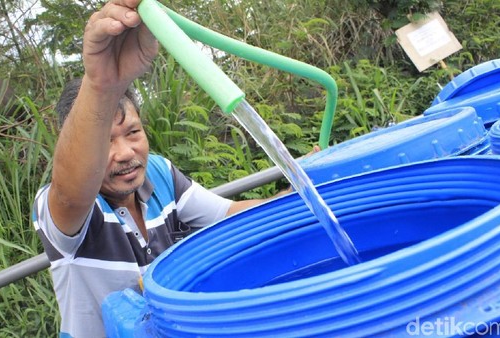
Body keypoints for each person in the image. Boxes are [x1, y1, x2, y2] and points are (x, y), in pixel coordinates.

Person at [32, 1, 319, 336]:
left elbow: (230, 213)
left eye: (133, 133)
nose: (126, 153)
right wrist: (101, 84)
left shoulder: (158, 174)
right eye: (106, 142)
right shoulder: (64, 209)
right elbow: (69, 193)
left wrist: (303, 190)